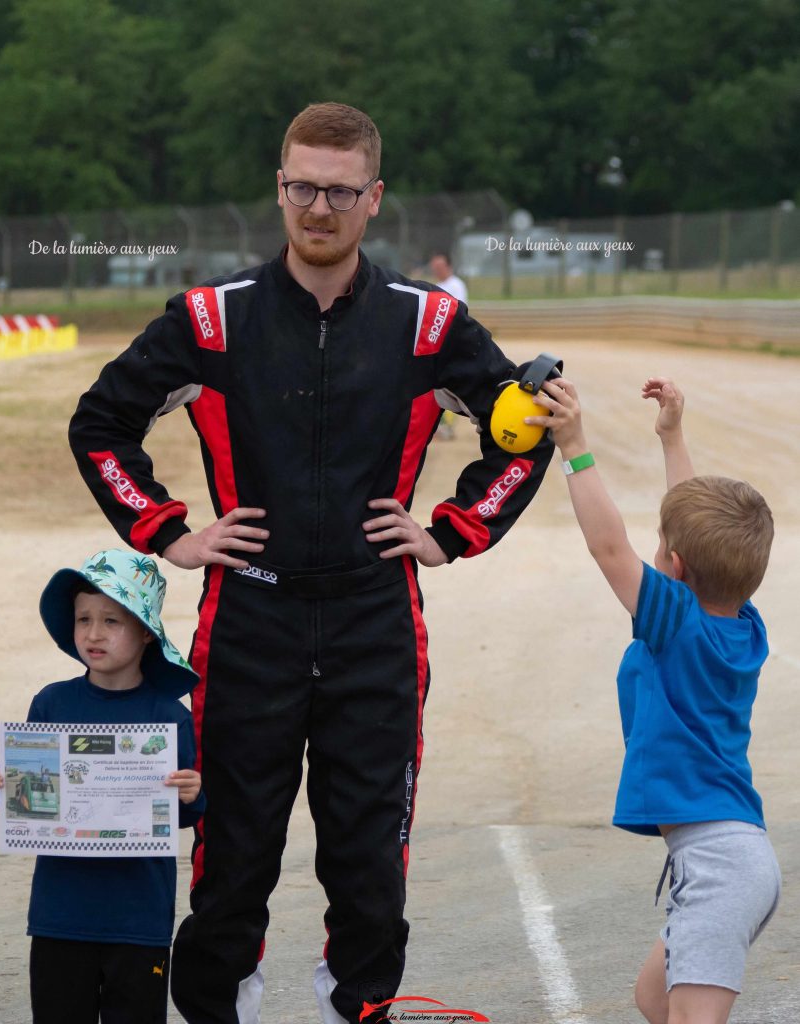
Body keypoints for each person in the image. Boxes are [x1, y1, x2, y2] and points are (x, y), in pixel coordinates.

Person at [68, 101, 554, 1024]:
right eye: (302, 187)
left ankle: (358, 1008)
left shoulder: (429, 323)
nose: (317, 208)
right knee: (233, 852)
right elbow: (99, 428)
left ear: (374, 199)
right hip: (249, 618)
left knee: (368, 857)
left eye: (339, 191)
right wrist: (169, 532)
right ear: (278, 188)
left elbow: (519, 433)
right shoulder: (211, 320)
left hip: (376, 622)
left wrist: (451, 532)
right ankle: (217, 1007)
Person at [526, 376, 780, 1024]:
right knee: (651, 999)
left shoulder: (676, 625)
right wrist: (671, 436)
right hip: (730, 856)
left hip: (718, 866)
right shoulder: (738, 622)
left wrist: (574, 447)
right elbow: (694, 536)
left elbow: (608, 546)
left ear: (670, 565)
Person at [0, 549, 204, 1024]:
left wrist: (191, 794)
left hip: (139, 920)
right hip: (61, 915)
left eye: (112, 621)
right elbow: (33, 804)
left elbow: (185, 813)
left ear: (145, 633)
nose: (93, 634)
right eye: (83, 619)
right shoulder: (52, 704)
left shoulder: (169, 718)